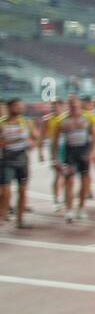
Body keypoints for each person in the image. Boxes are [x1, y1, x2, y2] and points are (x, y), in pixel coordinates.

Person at [50, 94, 95, 221]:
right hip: (70, 153)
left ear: (80, 104)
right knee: (69, 181)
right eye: (71, 103)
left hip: (84, 152)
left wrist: (92, 152)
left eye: (75, 103)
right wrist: (55, 158)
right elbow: (54, 142)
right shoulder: (61, 120)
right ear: (67, 105)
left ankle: (81, 208)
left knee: (85, 181)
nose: (74, 105)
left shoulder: (89, 117)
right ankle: (69, 210)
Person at [1, 98, 42, 229]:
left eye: (21, 106)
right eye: (16, 106)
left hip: (22, 160)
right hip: (6, 160)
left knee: (22, 190)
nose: (19, 108)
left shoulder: (26, 122)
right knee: (6, 191)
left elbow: (37, 137)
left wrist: (33, 144)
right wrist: (7, 142)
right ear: (9, 107)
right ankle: (3, 216)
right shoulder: (2, 123)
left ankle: (20, 219)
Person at [42, 97, 66, 213]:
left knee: (67, 174)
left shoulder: (66, 117)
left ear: (62, 106)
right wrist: (41, 152)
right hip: (55, 148)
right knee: (57, 174)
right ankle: (56, 200)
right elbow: (43, 135)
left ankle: (64, 196)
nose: (54, 108)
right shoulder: (47, 119)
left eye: (56, 106)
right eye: (52, 106)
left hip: (67, 148)